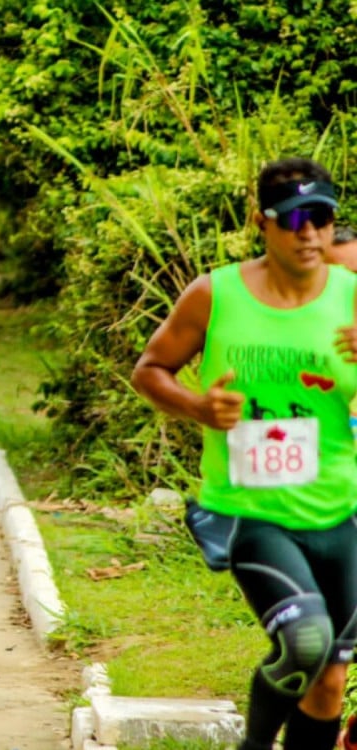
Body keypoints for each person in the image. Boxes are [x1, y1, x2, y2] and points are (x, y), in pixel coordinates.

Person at [132, 157, 357, 750]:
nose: (310, 231)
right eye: (294, 219)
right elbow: (150, 370)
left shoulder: (353, 297)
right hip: (248, 508)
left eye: (323, 217)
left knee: (329, 682)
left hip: (339, 509)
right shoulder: (216, 294)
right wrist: (199, 408)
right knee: (305, 641)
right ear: (262, 222)